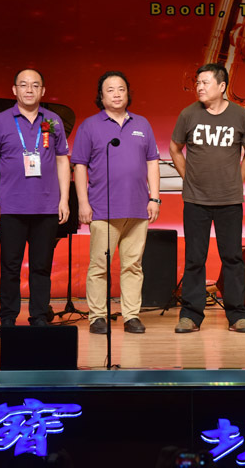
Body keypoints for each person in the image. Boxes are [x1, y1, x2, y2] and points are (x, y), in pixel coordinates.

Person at [169, 63, 245, 333]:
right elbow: (174, 148)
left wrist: (237, 180)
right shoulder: (188, 114)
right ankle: (191, 315)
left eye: (205, 82)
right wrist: (188, 178)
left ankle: (237, 314)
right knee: (195, 258)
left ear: (222, 86)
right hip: (196, 200)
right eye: (198, 83)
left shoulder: (239, 114)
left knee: (233, 257)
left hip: (229, 200)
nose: (199, 87)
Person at [72, 71, 161, 335]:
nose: (116, 94)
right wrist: (83, 203)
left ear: (128, 93)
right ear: (101, 96)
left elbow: (152, 162)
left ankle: (131, 315)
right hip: (103, 208)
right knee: (99, 266)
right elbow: (79, 166)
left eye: (121, 89)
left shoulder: (142, 124)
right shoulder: (90, 126)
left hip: (138, 208)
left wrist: (154, 197)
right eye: (110, 90)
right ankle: (97, 316)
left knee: (133, 265)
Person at [0, 69, 70, 330]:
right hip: (11, 207)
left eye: (34, 85)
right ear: (14, 90)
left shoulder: (53, 120)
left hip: (46, 206)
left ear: (43, 91)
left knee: (41, 267)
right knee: (10, 266)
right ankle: (8, 319)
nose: (29, 90)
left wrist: (64, 199)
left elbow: (62, 160)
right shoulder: (0, 121)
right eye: (23, 85)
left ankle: (39, 317)